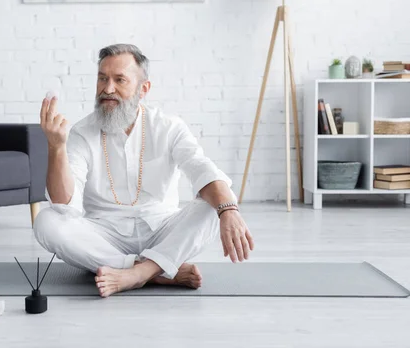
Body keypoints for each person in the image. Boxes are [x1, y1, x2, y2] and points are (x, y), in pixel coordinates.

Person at [35, 44, 254, 298]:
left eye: (120, 80)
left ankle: (137, 273)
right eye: (102, 78)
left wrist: (229, 210)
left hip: (163, 231)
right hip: (104, 237)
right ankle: (154, 271)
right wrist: (56, 148)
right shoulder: (82, 133)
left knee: (213, 205)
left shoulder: (168, 126)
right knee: (47, 221)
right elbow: (64, 205)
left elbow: (201, 168)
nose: (107, 89)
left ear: (143, 89)